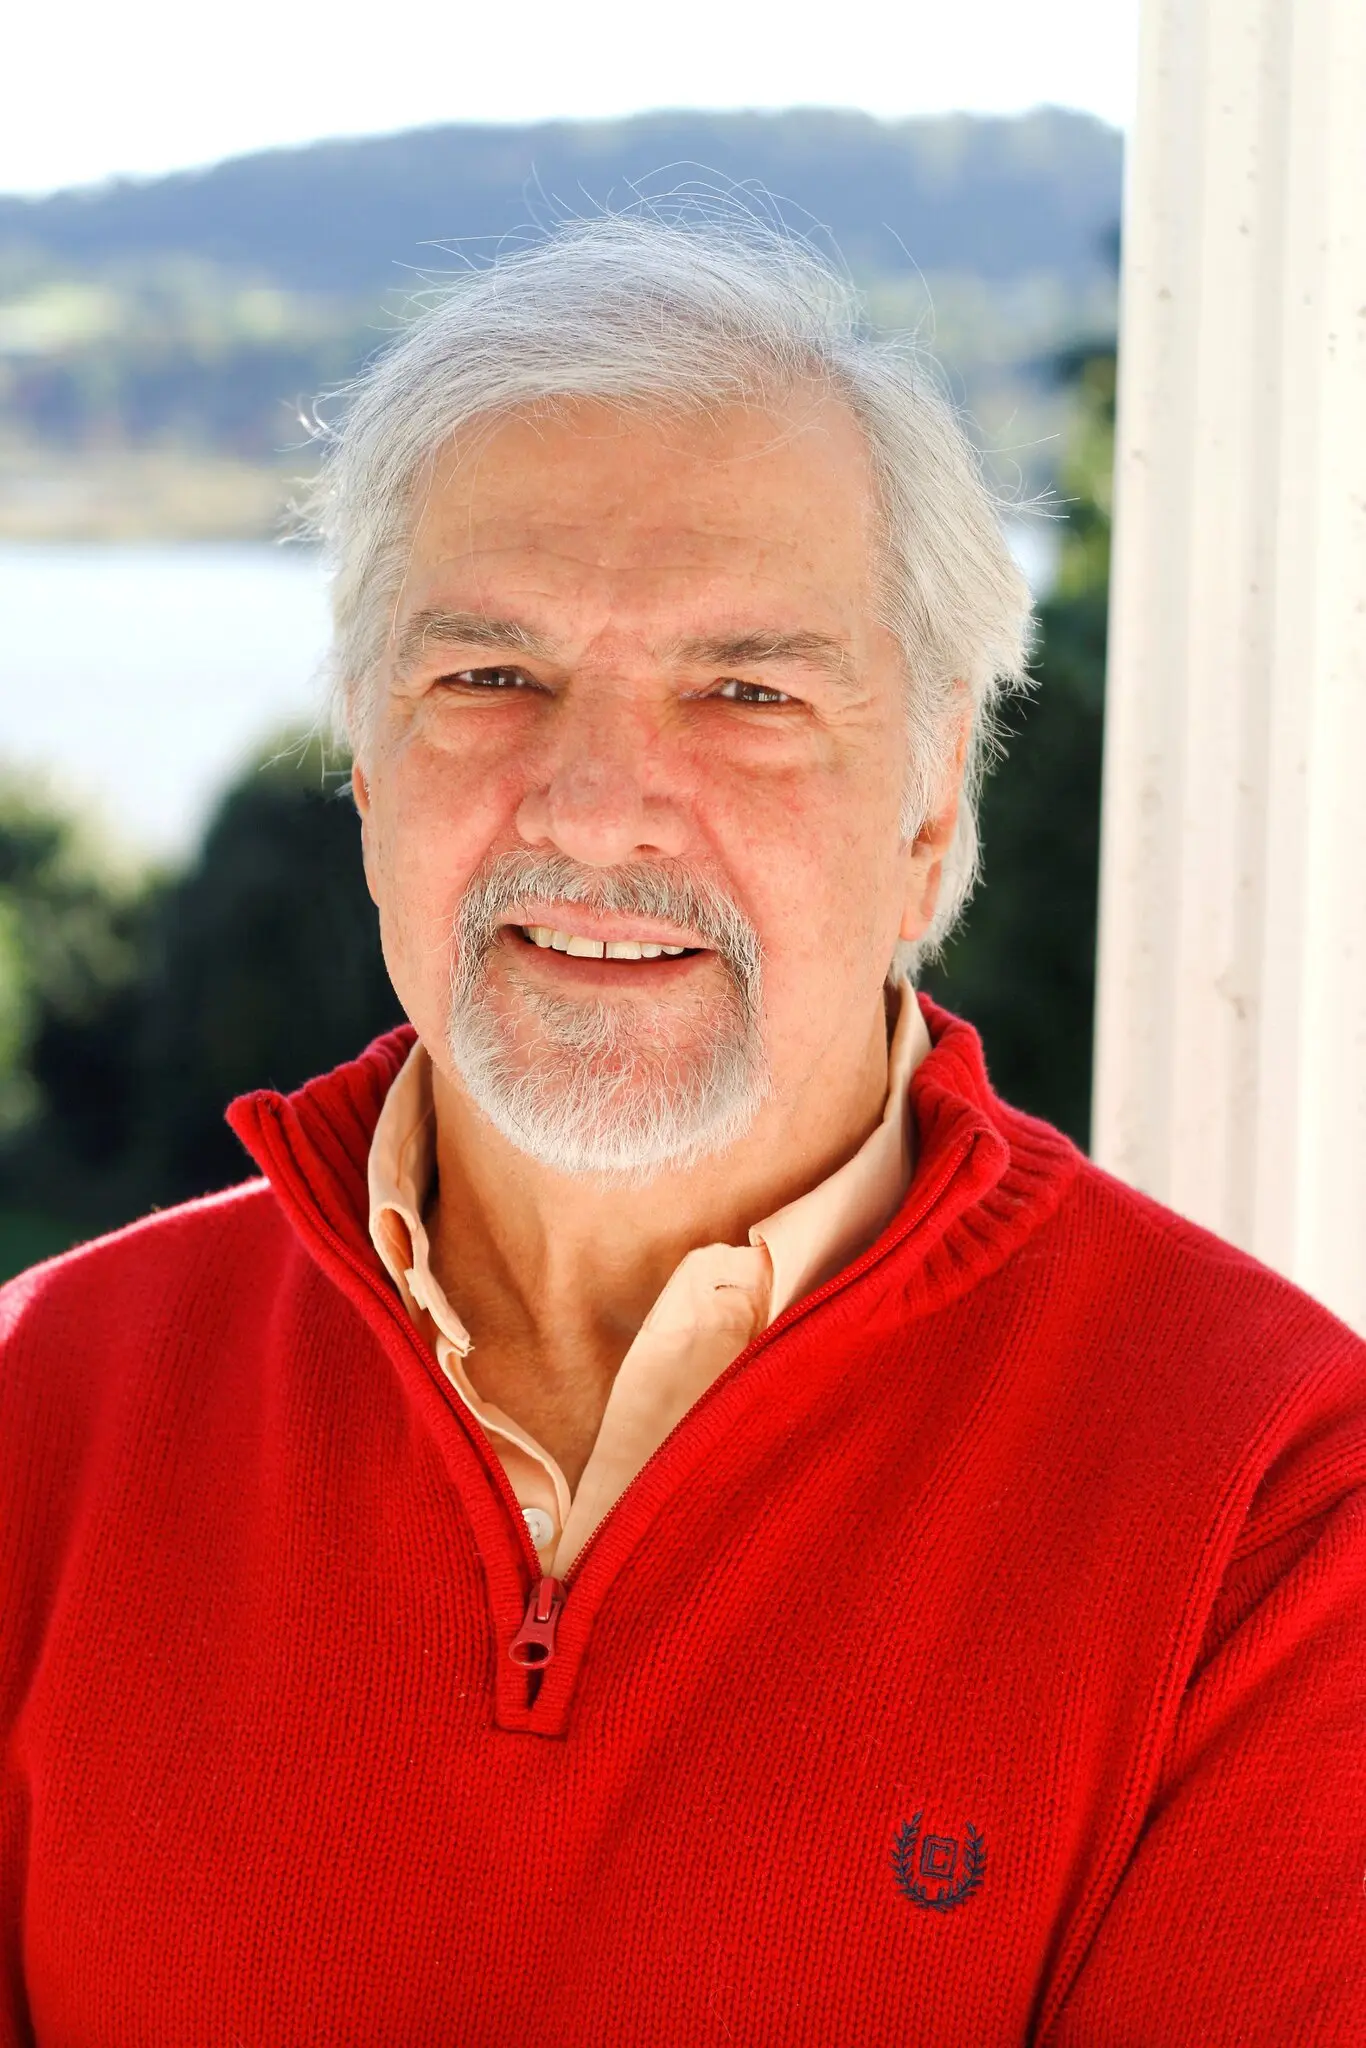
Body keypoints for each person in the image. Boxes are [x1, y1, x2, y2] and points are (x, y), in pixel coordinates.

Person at [1, 211, 1362, 2048]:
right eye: (489, 677)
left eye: (746, 693)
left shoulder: (1276, 1504)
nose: (595, 807)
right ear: (367, 758)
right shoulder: (42, 1412)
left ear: (930, 794)